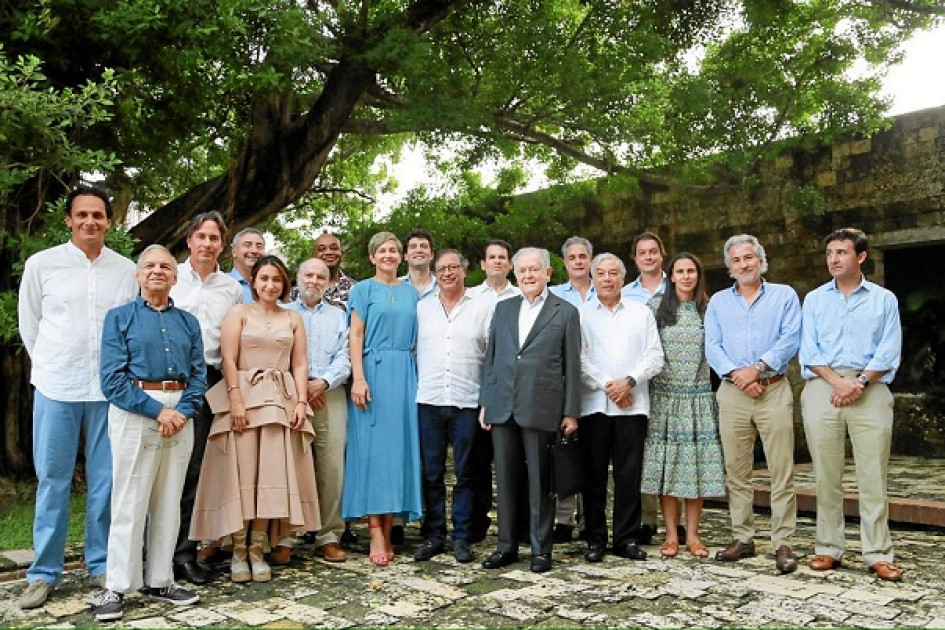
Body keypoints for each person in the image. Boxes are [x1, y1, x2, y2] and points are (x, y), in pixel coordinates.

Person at [17, 186, 137, 610]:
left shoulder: (126, 270)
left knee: (106, 481)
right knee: (54, 479)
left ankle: (100, 564)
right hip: (57, 386)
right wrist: (50, 365)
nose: (90, 221)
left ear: (109, 221)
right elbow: (29, 323)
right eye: (82, 214)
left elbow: (129, 327)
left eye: (98, 215)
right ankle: (43, 572)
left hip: (109, 390)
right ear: (68, 219)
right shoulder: (42, 265)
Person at [190, 255, 320, 583]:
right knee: (243, 473)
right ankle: (237, 550)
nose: (270, 285)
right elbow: (228, 359)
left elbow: (300, 363)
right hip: (245, 399)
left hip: (280, 401)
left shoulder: (292, 318)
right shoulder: (239, 313)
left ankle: (258, 549)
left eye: (276, 280)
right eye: (264, 278)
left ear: (284, 284)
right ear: (253, 282)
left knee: (270, 476)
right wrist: (235, 400)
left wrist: (301, 401)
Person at [93, 245, 206, 621]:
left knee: (169, 498)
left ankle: (161, 579)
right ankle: (116, 585)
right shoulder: (119, 318)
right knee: (129, 498)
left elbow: (199, 376)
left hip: (181, 412)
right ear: (139, 275)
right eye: (150, 266)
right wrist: (159, 411)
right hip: (136, 409)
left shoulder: (188, 322)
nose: (157, 271)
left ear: (174, 277)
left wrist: (181, 412)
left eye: (165, 267)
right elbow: (112, 380)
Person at [799, 228, 903, 581]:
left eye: (842, 252)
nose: (834, 259)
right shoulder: (814, 299)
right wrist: (838, 382)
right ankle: (828, 547)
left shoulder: (884, 300)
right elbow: (809, 349)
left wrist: (858, 383)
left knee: (873, 474)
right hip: (823, 387)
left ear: (861, 257)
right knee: (825, 474)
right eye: (830, 253)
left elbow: (888, 349)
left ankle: (878, 553)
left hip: (869, 387)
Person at [479, 247, 581, 574]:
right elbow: (492, 359)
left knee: (540, 482)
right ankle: (506, 546)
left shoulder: (565, 312)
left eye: (534, 270)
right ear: (515, 274)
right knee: (505, 481)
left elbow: (572, 365)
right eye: (522, 270)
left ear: (548, 273)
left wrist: (571, 412)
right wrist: (486, 402)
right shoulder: (503, 308)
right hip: (502, 405)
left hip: (542, 405)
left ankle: (540, 549)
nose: (528, 275)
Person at [705, 235, 802, 573]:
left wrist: (758, 368)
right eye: (736, 260)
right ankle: (743, 537)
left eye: (749, 257)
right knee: (737, 470)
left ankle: (783, 542)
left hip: (772, 389)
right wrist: (739, 376)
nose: (743, 264)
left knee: (781, 469)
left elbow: (790, 338)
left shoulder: (784, 295)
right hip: (733, 392)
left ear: (761, 260)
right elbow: (712, 345)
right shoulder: (718, 302)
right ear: (729, 267)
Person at [169, 211, 243, 585]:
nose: (207, 244)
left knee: (195, 468)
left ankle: (184, 554)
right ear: (189, 240)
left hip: (210, 380)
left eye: (214, 238)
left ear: (222, 245)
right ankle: (151, 553)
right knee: (161, 468)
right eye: (202, 236)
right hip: (168, 380)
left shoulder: (231, 288)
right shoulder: (170, 276)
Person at [342, 232, 423, 567]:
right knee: (373, 454)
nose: (388, 255)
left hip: (404, 374)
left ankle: (391, 527)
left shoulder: (411, 292)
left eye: (393, 250)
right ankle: (375, 530)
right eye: (382, 251)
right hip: (372, 373)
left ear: (401, 257)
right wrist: (359, 378)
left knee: (397, 453)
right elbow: (355, 335)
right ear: (372, 257)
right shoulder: (362, 290)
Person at [579, 253, 664, 563]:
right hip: (594, 406)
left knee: (629, 475)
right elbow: (579, 359)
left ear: (623, 278)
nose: (607, 279)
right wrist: (610, 387)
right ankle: (595, 538)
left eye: (613, 273)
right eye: (601, 273)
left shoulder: (641, 313)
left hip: (633, 406)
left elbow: (655, 357)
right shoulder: (581, 315)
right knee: (594, 476)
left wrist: (628, 382)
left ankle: (626, 538)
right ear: (593, 278)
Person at [641, 253, 726, 559]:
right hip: (665, 398)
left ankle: (693, 535)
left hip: (698, 397)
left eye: (692, 271)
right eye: (680, 271)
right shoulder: (655, 308)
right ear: (671, 276)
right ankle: (670, 534)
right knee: (668, 469)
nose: (687, 276)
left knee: (696, 469)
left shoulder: (709, 309)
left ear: (698, 275)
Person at [414, 249, 493, 564]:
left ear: (464, 270)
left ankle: (462, 536)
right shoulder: (422, 308)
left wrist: (487, 400)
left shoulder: (483, 307)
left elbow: (492, 356)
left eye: (453, 267)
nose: (447, 273)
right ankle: (434, 534)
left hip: (467, 401)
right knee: (431, 472)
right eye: (442, 268)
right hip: (429, 400)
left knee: (466, 473)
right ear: (435, 273)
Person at [284, 258, 351, 563]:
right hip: (289, 396)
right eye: (308, 275)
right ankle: (286, 536)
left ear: (327, 282)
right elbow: (278, 355)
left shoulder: (339, 315)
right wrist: (301, 389)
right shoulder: (284, 313)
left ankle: (329, 535)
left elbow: (346, 355)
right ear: (297, 279)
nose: (313, 281)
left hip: (330, 394)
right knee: (290, 466)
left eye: (320, 277)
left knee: (332, 467)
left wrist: (321, 384)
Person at [466, 238, 521, 542]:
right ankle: (478, 522)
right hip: (477, 387)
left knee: (514, 460)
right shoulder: (471, 297)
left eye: (502, 257)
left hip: (513, 390)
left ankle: (516, 524)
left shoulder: (522, 295)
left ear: (510, 264)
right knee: (479, 461)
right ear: (483, 264)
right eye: (492, 257)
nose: (497, 261)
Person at [621, 232, 669, 544]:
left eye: (653, 251)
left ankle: (677, 521)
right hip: (638, 382)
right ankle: (647, 519)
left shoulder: (678, 286)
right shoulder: (626, 294)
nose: (648, 257)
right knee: (644, 451)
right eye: (642, 252)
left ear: (662, 254)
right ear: (635, 258)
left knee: (674, 448)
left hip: (674, 379)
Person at [548, 235, 595, 542]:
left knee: (592, 458)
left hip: (599, 390)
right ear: (564, 263)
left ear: (590, 260)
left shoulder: (605, 290)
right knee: (564, 454)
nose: (578, 261)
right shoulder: (553, 296)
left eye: (582, 256)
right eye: (572, 257)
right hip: (564, 387)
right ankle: (563, 519)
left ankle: (591, 519)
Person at [313, 232, 357, 312]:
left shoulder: (356, 289)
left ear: (341, 253)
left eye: (334, 248)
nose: (328, 252)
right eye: (322, 249)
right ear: (314, 255)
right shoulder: (300, 291)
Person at [229, 227, 266, 303]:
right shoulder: (222, 284)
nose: (254, 251)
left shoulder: (272, 286)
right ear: (234, 252)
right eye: (247, 245)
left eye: (259, 246)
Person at [400, 228, 436, 300]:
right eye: (413, 247)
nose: (419, 250)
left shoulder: (443, 286)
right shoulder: (394, 287)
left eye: (424, 246)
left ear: (432, 255)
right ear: (405, 256)